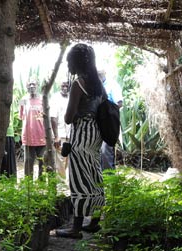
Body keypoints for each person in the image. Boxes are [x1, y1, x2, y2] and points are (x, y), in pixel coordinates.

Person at [55, 43, 105, 239]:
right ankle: (94, 222)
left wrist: (76, 114)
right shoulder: (98, 84)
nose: (68, 66)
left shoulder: (78, 84)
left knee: (78, 179)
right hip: (96, 134)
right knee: (94, 175)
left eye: (69, 62)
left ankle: (75, 228)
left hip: (82, 133)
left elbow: (68, 118)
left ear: (77, 62)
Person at [19, 80, 46, 177]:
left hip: (42, 135)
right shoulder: (23, 100)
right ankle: (28, 183)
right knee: (28, 161)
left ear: (37, 86)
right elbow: (21, 117)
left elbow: (47, 117)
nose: (31, 86)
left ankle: (41, 182)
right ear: (26, 86)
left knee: (42, 161)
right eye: (29, 84)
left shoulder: (43, 99)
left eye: (34, 84)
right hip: (28, 136)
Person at [98, 70, 123, 170]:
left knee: (105, 152)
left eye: (100, 72)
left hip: (108, 124)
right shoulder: (94, 86)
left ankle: (109, 181)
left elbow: (119, 104)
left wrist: (106, 111)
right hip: (96, 124)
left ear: (104, 72)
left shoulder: (113, 85)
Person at [50, 81, 70, 179]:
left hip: (71, 134)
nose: (65, 88)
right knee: (60, 160)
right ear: (59, 86)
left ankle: (67, 183)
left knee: (68, 160)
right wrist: (56, 136)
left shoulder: (71, 97)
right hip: (60, 134)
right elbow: (53, 118)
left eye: (67, 86)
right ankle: (61, 184)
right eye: (63, 86)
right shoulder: (55, 98)